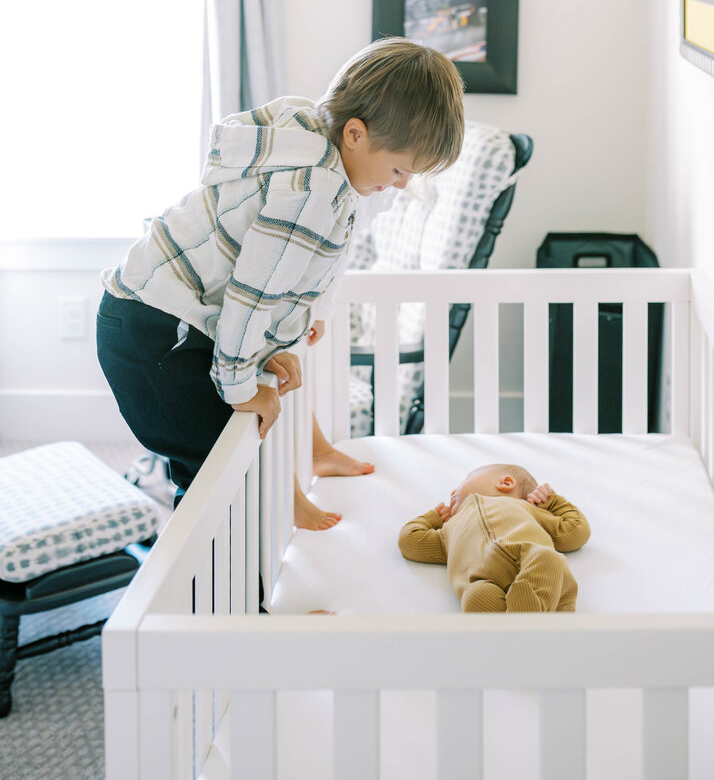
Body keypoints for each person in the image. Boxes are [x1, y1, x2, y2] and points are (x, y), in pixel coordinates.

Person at [96, 38, 465, 527]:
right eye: (399, 169)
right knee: (227, 476)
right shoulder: (312, 189)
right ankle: (228, 599)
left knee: (221, 469)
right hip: (154, 336)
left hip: (158, 318)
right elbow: (255, 295)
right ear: (355, 134)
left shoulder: (311, 135)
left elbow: (282, 270)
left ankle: (224, 593)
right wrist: (239, 383)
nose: (398, 184)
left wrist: (278, 339)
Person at [398, 463, 590, 612]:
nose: (452, 492)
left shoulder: (527, 508)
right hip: (482, 581)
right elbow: (410, 541)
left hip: (530, 564)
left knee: (548, 559)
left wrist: (553, 502)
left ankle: (528, 623)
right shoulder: (448, 530)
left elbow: (575, 531)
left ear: (505, 483)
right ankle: (524, 628)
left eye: (462, 483)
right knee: (476, 597)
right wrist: (431, 519)